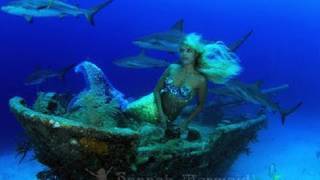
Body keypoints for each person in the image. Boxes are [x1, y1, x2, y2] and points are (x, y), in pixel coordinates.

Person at [153, 33, 242, 132]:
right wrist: (161, 114)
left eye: (189, 51)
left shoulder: (201, 80)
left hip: (170, 118)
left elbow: (200, 105)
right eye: (182, 50)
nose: (184, 54)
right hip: (150, 108)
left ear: (196, 54)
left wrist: (186, 122)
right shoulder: (172, 68)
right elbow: (156, 91)